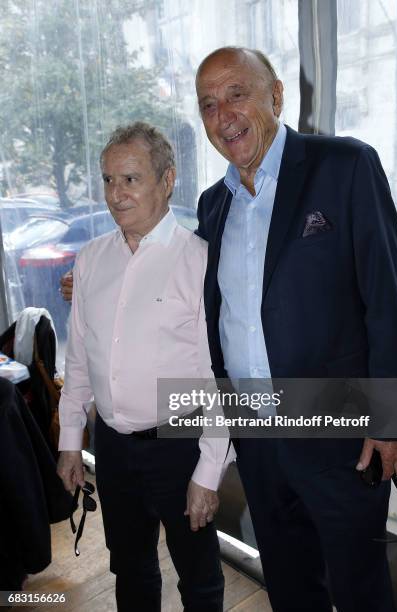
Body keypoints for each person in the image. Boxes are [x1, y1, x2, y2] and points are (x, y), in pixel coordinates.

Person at [194, 47, 397, 612]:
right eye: (208, 105)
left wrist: (391, 420)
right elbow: (203, 305)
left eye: (237, 93)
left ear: (276, 95)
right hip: (258, 438)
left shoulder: (344, 166)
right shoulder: (213, 205)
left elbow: (386, 299)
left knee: (361, 589)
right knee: (289, 586)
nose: (224, 115)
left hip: (339, 435)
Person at [57, 122, 233, 612]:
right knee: (129, 569)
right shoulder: (90, 259)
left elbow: (217, 377)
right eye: (108, 180)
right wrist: (71, 439)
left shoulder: (199, 261)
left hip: (180, 445)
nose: (115, 194)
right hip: (112, 447)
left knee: (198, 577)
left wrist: (209, 470)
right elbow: (79, 358)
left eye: (130, 179)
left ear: (168, 179)